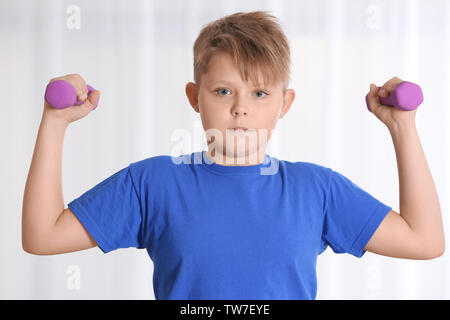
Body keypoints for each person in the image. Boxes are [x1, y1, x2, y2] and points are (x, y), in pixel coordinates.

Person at [22, 11, 445, 300]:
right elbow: (42, 236)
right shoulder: (153, 184)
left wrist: (402, 127)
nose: (240, 108)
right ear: (195, 97)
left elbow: (425, 241)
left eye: (260, 93)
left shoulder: (316, 190)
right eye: (223, 91)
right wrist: (55, 122)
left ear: (284, 102)